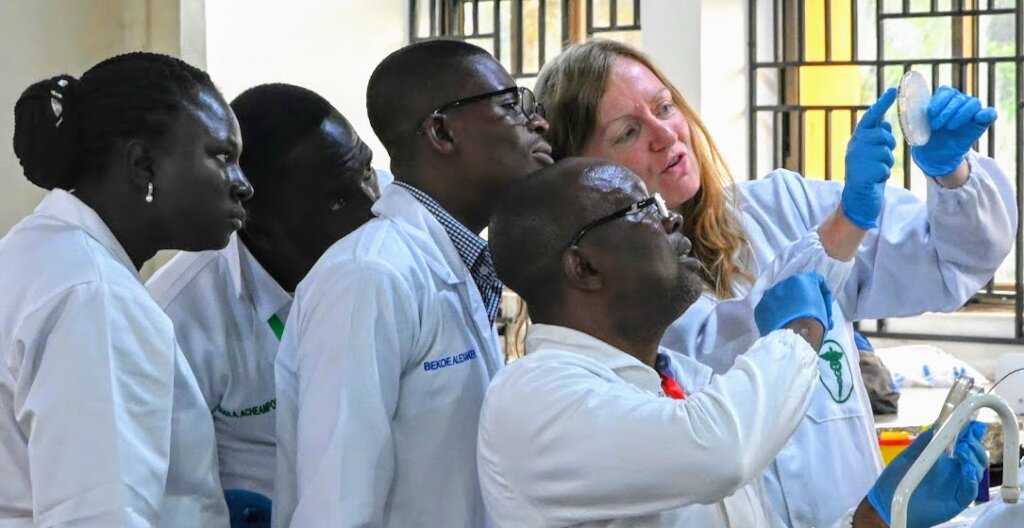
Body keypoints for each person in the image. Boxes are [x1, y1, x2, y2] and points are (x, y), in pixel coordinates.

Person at [534, 39, 1017, 527]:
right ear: (579, 172)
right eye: (628, 132)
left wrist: (950, 173)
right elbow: (729, 345)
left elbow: (947, 260)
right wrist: (843, 226)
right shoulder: (607, 307)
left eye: (665, 107)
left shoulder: (782, 207)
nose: (666, 135)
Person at [479, 157, 989, 528]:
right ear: (585, 266)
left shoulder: (681, 380)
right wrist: (797, 334)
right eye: (642, 210)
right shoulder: (531, 396)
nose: (672, 219)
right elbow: (719, 450)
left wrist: (879, 513)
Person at [272, 39, 553, 527]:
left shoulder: (453, 263)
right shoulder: (369, 277)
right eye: (511, 105)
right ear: (442, 132)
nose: (538, 122)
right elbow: (338, 506)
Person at [0, 52, 253, 526]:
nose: (243, 185)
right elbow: (100, 517)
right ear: (143, 165)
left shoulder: (36, 254)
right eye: (223, 157)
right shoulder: (95, 296)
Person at [146, 83, 383, 525]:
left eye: (367, 172)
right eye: (338, 199)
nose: (372, 206)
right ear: (258, 222)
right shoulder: (177, 320)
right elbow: (173, 493)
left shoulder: (390, 234)